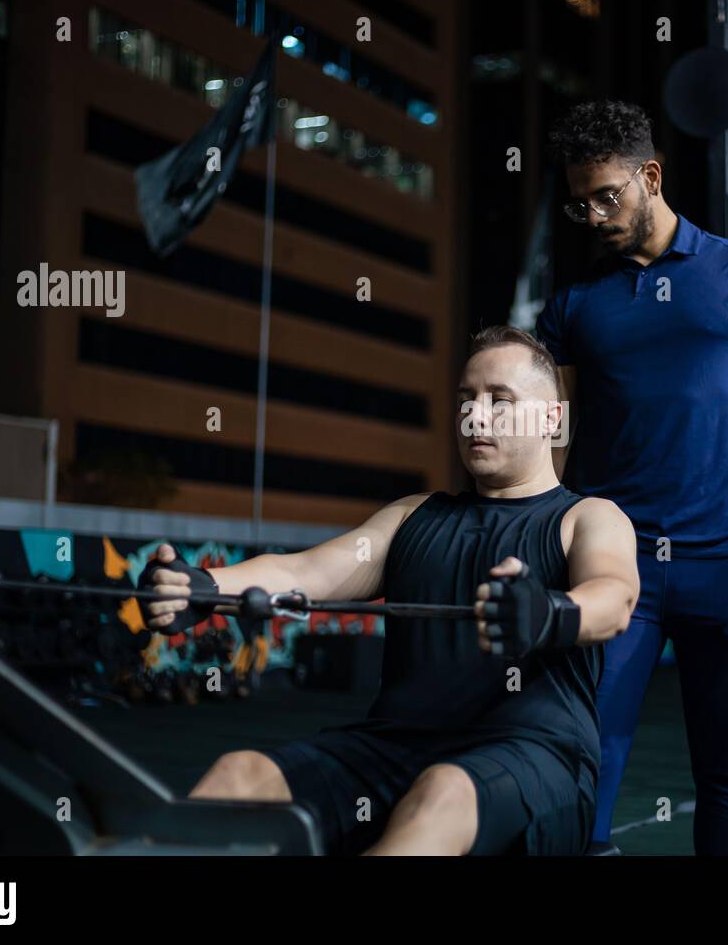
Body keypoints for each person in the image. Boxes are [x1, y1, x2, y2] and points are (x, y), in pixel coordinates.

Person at [137, 325, 639, 856]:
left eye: (501, 400)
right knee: (238, 776)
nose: (477, 416)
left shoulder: (587, 518)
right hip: (396, 747)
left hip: (534, 758)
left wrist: (549, 611)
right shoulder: (412, 516)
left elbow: (615, 597)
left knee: (442, 792)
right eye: (467, 400)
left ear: (552, 420)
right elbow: (306, 573)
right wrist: (204, 586)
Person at [537, 100, 728, 855]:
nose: (594, 213)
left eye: (608, 194)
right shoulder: (573, 302)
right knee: (582, 760)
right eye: (579, 202)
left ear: (651, 176)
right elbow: (555, 435)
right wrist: (540, 541)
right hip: (613, 569)